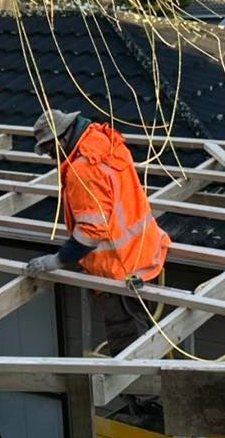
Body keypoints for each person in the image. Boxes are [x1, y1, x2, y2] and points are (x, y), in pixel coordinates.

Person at [24, 108, 172, 354]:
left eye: (50, 149)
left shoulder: (82, 170)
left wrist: (57, 260)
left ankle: (143, 394)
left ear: (60, 140)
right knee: (143, 334)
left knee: (130, 348)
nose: (51, 157)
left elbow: (92, 230)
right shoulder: (104, 141)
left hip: (120, 270)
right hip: (143, 251)